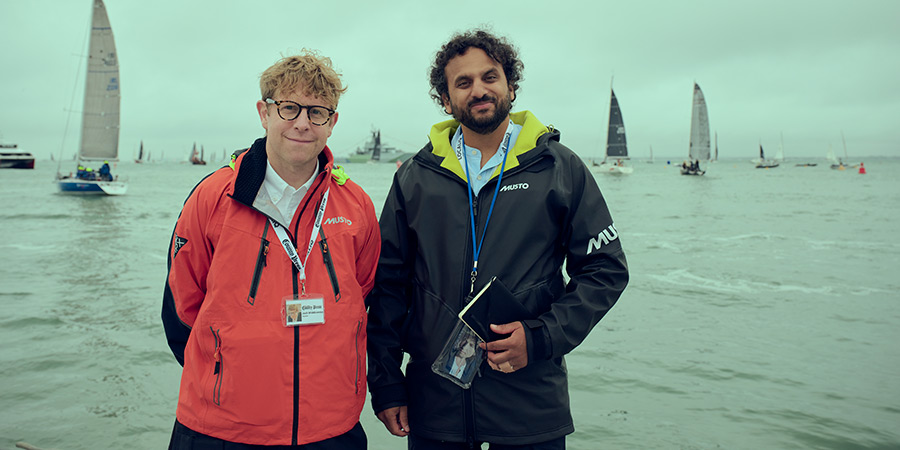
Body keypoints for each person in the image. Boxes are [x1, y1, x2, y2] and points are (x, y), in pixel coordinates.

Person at [366, 29, 629, 448]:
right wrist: (386, 383)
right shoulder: (415, 178)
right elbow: (388, 287)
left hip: (530, 407)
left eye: (490, 77)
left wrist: (541, 336)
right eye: (463, 82)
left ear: (510, 85)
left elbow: (605, 270)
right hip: (435, 409)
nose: (479, 90)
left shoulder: (558, 169)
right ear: (446, 99)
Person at [161, 49, 381, 449]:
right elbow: (180, 309)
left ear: (332, 123)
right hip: (220, 430)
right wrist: (226, 378)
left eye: (317, 112)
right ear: (264, 114)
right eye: (289, 108)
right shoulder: (213, 197)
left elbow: (363, 295)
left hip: (331, 429)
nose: (302, 123)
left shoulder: (356, 205)